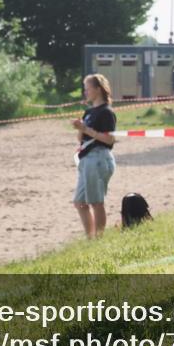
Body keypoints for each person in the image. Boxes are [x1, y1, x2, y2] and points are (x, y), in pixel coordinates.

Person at [71, 74, 117, 239]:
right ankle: (91, 237)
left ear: (98, 89)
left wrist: (86, 129)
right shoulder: (89, 111)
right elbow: (81, 138)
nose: (85, 92)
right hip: (87, 159)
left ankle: (99, 238)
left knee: (96, 202)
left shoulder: (106, 112)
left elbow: (109, 140)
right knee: (80, 202)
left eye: (88, 88)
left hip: (99, 158)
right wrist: (80, 127)